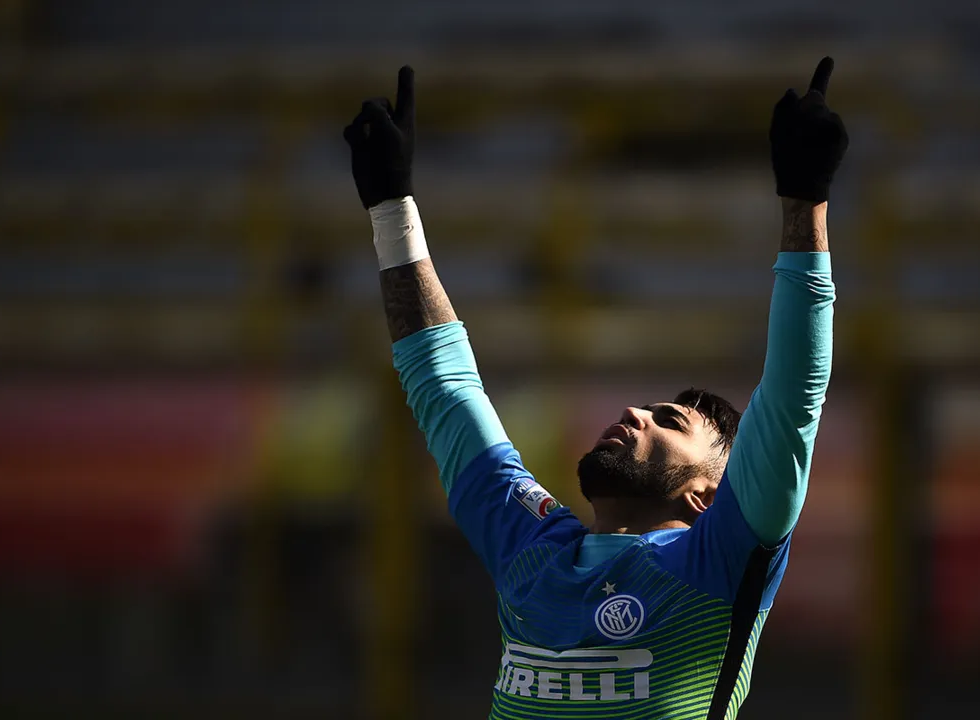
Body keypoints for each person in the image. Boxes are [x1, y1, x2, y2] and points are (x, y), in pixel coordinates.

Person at [343, 57, 847, 719]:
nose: (636, 412)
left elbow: (793, 391)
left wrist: (804, 201)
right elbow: (444, 386)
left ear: (708, 494)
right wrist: (390, 209)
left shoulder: (722, 559)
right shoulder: (533, 548)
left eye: (669, 421)